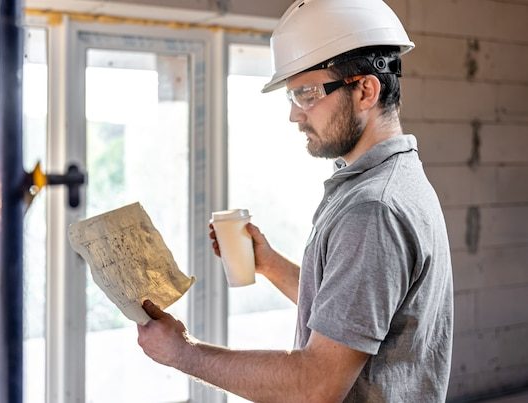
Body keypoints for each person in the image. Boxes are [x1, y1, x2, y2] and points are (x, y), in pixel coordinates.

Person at [137, 0, 454, 401]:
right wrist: (269, 263)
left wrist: (184, 353)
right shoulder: (393, 179)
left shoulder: (373, 209)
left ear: (365, 90)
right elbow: (351, 313)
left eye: (306, 94)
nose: (294, 114)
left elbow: (315, 385)